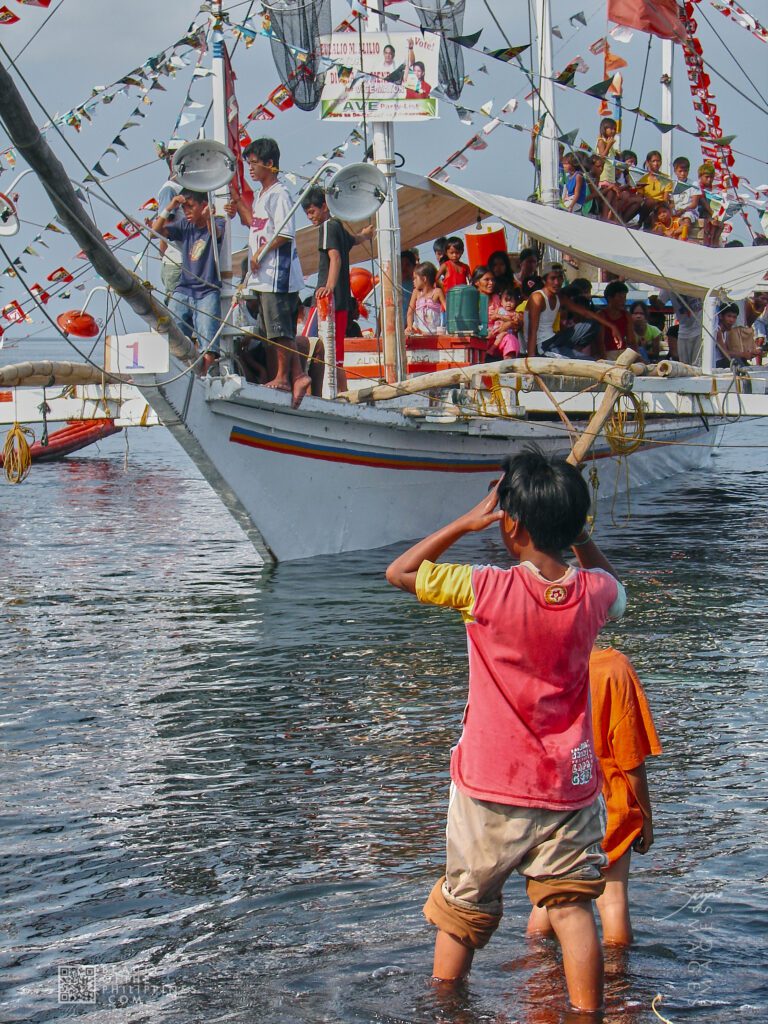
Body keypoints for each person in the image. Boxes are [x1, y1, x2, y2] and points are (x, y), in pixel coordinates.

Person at [385, 448, 627, 1012]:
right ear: (573, 527)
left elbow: (400, 572)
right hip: (568, 785)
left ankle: (447, 1007)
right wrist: (578, 535)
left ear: (509, 525)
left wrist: (465, 522)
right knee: (571, 908)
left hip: (490, 784)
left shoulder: (484, 587)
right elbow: (614, 585)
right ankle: (588, 1013)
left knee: (464, 909)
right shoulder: (593, 593)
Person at [528, 646, 662, 946]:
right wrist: (647, 818)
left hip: (555, 805)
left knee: (548, 901)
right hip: (607, 807)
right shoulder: (614, 667)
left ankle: (536, 981)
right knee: (612, 900)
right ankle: (618, 983)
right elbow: (630, 757)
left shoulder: (543, 662)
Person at [226, 137, 310, 406]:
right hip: (262, 276)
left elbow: (284, 234)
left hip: (277, 272)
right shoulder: (262, 195)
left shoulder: (280, 194)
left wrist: (260, 255)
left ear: (269, 164)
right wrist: (238, 203)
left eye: (254, 163)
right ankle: (298, 376)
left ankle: (284, 377)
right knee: (271, 331)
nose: (251, 169)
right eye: (249, 163)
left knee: (280, 329)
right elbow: (254, 225)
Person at [301, 185, 374, 392]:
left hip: (327, 302)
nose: (310, 217)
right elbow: (355, 240)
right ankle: (341, 394)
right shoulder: (339, 227)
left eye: (312, 211)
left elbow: (335, 257)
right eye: (307, 213)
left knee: (307, 346)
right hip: (341, 303)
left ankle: (312, 394)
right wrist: (366, 234)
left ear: (324, 207)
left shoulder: (327, 227)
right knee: (335, 356)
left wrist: (328, 287)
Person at [151, 188, 225, 375]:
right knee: (170, 334)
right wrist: (170, 207)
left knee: (208, 343)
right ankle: (176, 373)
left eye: (191, 207)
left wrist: (208, 217)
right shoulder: (184, 225)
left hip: (207, 290)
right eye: (184, 208)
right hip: (184, 288)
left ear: (204, 206)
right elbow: (154, 232)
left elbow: (215, 234)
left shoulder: (217, 222)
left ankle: (202, 375)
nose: (186, 211)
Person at [526, 262, 623, 359]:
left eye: (560, 278)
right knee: (588, 361)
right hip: (543, 346)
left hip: (555, 340)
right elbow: (532, 330)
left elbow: (586, 313)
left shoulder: (559, 297)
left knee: (594, 324)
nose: (557, 282)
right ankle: (569, 356)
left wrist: (612, 326)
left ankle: (571, 352)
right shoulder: (538, 297)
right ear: (544, 280)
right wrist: (531, 358)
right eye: (553, 278)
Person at [156, 140, 184, 301]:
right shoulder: (170, 189)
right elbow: (164, 228)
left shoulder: (186, 187)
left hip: (188, 262)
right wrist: (163, 253)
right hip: (177, 263)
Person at [601, 281, 644, 362]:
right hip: (606, 355)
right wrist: (604, 361)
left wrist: (639, 358)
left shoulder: (626, 315)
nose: (623, 300)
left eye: (624, 297)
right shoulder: (601, 315)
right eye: (620, 297)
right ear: (610, 298)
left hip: (623, 354)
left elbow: (631, 341)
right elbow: (600, 343)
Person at [658, 288, 703, 365]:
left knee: (699, 366)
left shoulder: (700, 277)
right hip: (684, 329)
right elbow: (660, 302)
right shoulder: (669, 280)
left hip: (701, 328)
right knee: (684, 366)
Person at [406, 261, 445, 334]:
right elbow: (410, 312)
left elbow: (447, 309)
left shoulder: (437, 292)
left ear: (424, 279)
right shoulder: (416, 292)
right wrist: (409, 326)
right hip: (418, 331)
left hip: (435, 332)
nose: (413, 281)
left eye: (415, 278)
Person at [669, 157, 702, 242]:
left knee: (686, 222)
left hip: (689, 211)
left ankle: (673, 233)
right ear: (675, 171)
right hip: (676, 211)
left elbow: (694, 204)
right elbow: (672, 202)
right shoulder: (673, 184)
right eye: (680, 171)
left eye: (685, 171)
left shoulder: (694, 184)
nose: (683, 174)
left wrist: (683, 210)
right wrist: (673, 210)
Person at [636, 150, 672, 228]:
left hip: (660, 205)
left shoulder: (666, 178)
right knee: (649, 202)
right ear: (648, 162)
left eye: (658, 161)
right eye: (653, 161)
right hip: (646, 206)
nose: (656, 163)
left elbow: (665, 199)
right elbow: (639, 196)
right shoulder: (643, 178)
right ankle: (640, 222)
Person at [488, 285, 523, 357]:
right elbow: (493, 317)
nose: (508, 304)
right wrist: (496, 316)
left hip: (507, 332)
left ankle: (492, 349)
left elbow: (512, 321)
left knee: (503, 335)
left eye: (511, 301)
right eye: (506, 301)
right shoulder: (499, 309)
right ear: (501, 301)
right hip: (495, 329)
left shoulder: (514, 313)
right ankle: (491, 349)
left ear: (516, 302)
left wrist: (501, 317)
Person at [697, 164, 723, 248]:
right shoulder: (698, 186)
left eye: (711, 177)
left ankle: (715, 241)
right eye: (707, 177)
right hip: (701, 210)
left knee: (721, 224)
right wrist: (712, 213)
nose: (709, 179)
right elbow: (703, 201)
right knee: (713, 221)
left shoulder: (711, 188)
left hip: (710, 210)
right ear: (700, 177)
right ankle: (711, 241)